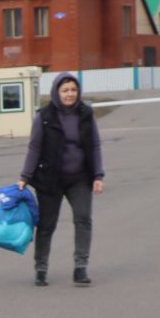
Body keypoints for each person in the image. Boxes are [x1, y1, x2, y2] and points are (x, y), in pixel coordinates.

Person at [19, 72, 105, 286]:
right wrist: (25, 177)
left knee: (83, 220)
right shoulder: (44, 116)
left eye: (73, 90)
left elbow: (94, 145)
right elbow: (35, 147)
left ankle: (80, 268)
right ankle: (41, 269)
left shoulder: (85, 114)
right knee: (47, 225)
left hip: (80, 178)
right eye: (65, 90)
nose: (70, 94)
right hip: (50, 179)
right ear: (57, 92)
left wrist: (98, 175)